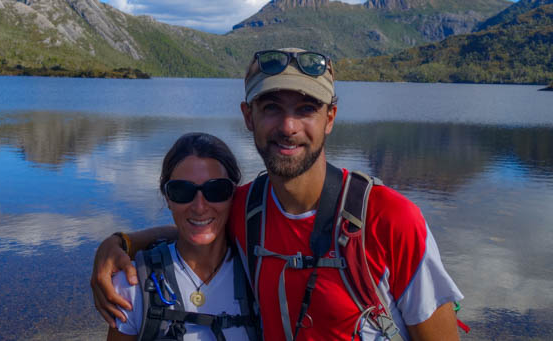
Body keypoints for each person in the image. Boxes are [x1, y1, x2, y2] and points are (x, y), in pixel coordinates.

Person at [94, 49, 464, 341]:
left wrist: (123, 243)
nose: (288, 127)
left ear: (330, 118)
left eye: (306, 109)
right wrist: (120, 243)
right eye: (271, 108)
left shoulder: (390, 219)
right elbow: (199, 225)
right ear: (248, 117)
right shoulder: (246, 208)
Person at [107, 132, 259, 341]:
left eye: (215, 190)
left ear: (234, 194)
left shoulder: (260, 276)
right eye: (182, 191)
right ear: (167, 198)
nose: (199, 207)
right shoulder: (130, 286)